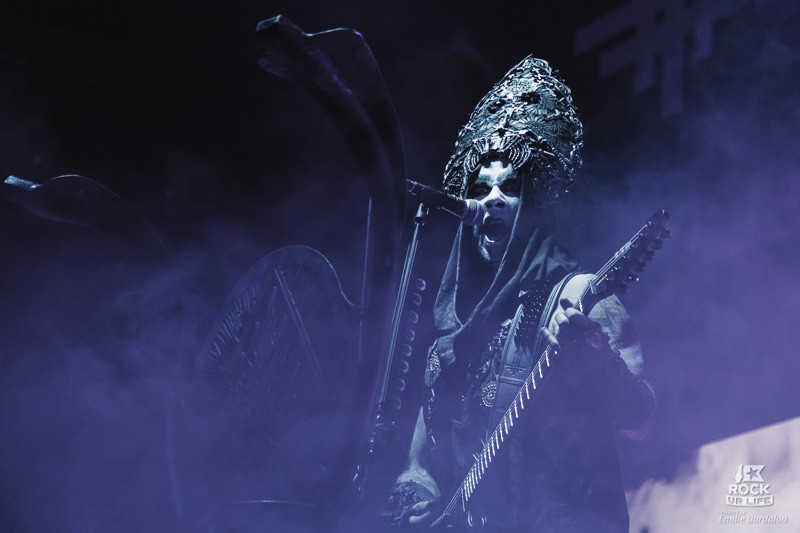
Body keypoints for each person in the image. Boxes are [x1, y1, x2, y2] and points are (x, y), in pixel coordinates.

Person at [384, 56, 655, 532]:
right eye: (480, 187)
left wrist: (594, 357)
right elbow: (419, 465)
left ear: (533, 206)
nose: (492, 198)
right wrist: (415, 495)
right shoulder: (447, 345)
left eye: (510, 187)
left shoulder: (579, 296)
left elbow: (642, 422)